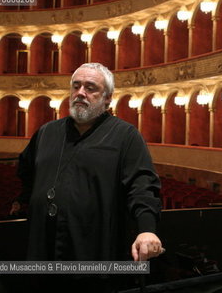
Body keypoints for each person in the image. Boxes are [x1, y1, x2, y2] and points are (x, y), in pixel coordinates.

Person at [10, 63, 163, 290]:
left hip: (93, 254)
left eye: (91, 88)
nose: (81, 93)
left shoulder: (126, 136)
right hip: (43, 252)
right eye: (76, 86)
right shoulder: (46, 132)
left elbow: (142, 186)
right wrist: (28, 200)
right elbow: (26, 171)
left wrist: (147, 229)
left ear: (108, 98)